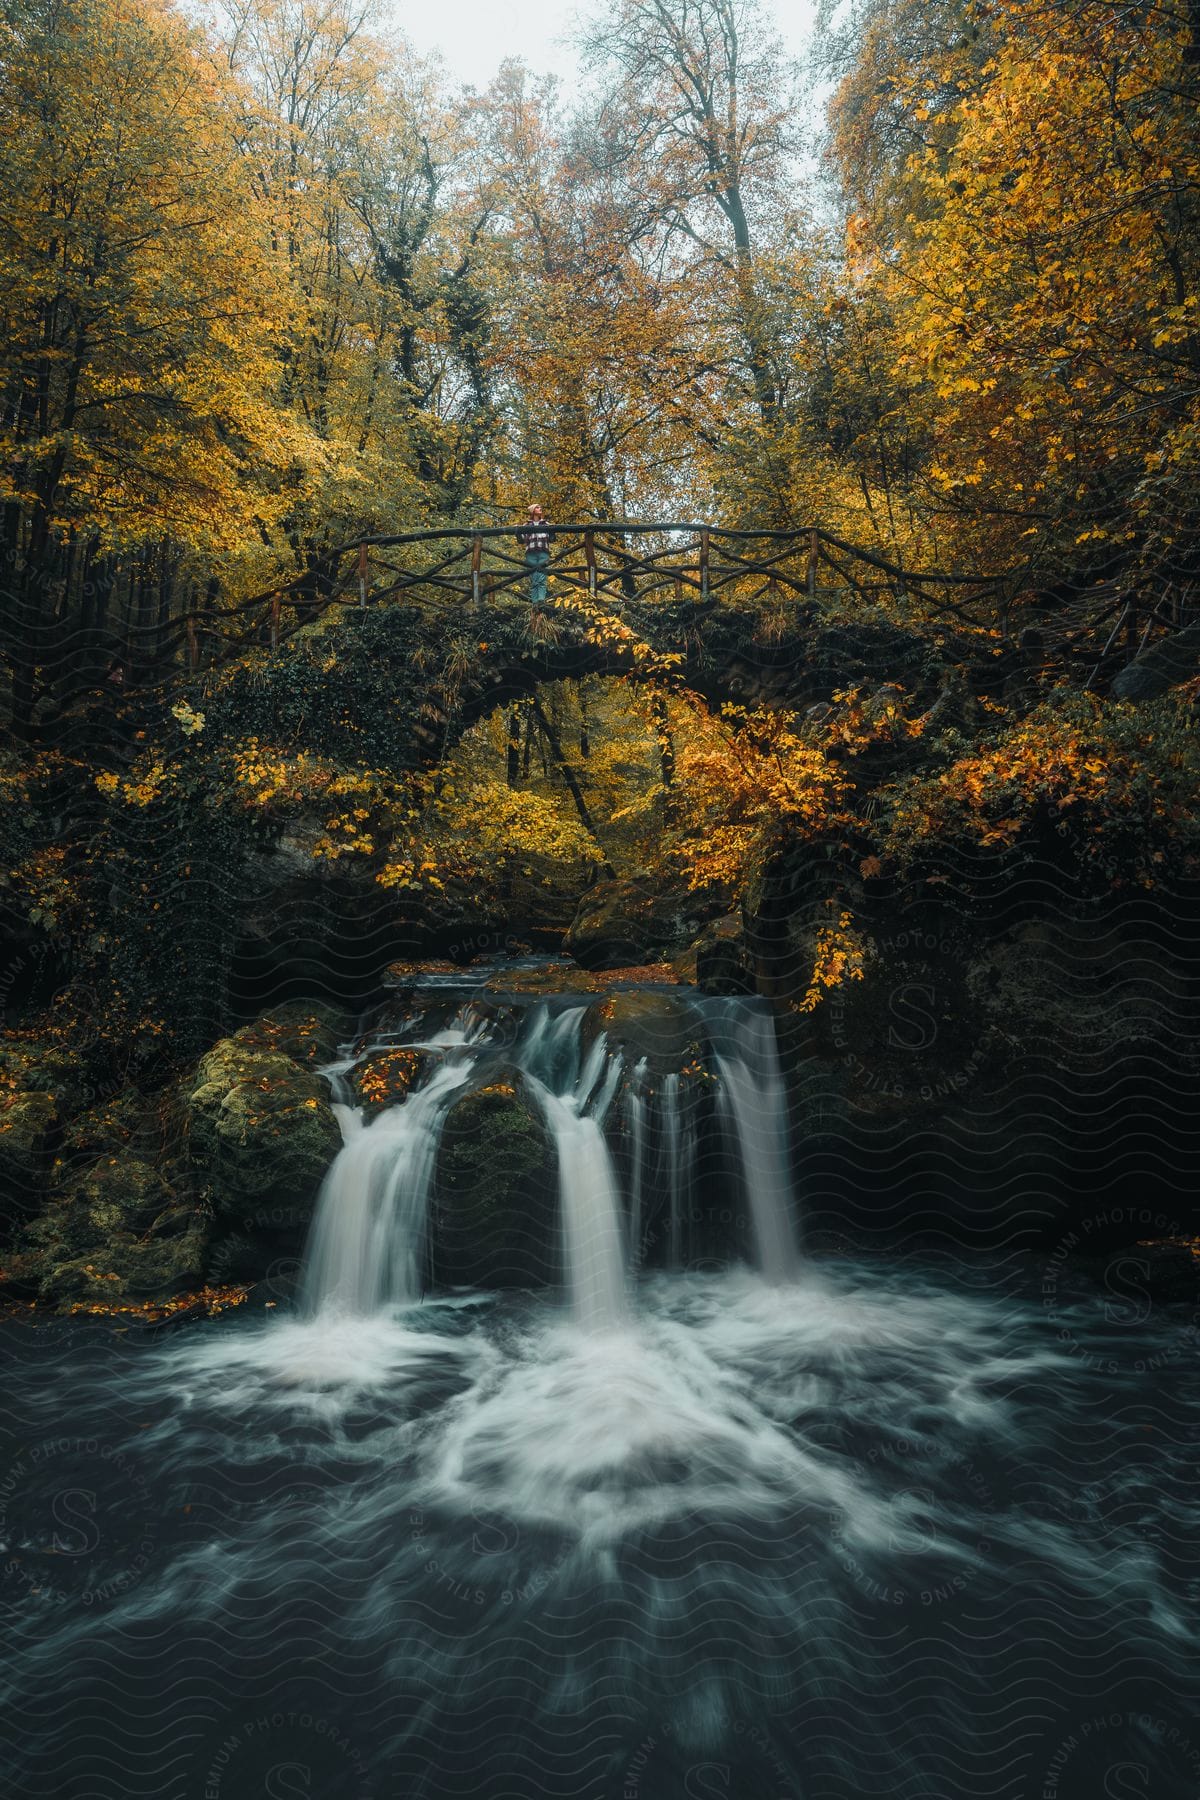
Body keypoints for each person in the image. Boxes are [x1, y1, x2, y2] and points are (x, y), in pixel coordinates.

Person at [516, 504, 551, 605]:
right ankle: (534, 602)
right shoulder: (526, 525)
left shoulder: (546, 524)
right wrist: (517, 531)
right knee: (534, 577)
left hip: (543, 552)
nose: (540, 509)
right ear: (532, 511)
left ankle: (541, 600)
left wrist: (553, 532)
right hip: (530, 553)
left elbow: (552, 538)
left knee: (542, 576)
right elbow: (521, 540)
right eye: (537, 507)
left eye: (540, 507)